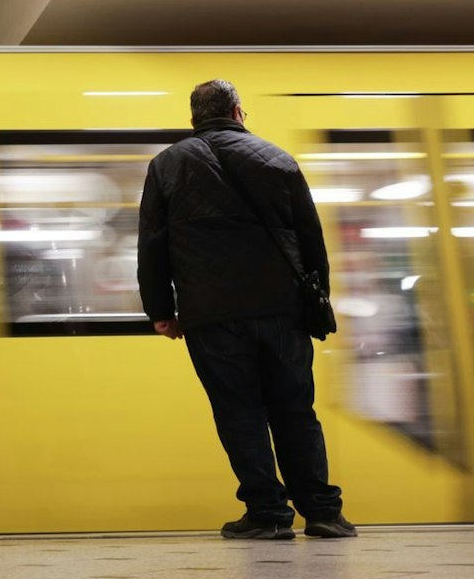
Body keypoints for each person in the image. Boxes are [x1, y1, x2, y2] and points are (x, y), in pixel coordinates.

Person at [137, 80, 357, 540]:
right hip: (282, 312)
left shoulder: (167, 165)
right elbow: (312, 242)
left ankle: (268, 514)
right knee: (296, 410)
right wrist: (317, 303)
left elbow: (152, 248)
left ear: (194, 118)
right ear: (238, 112)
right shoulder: (277, 159)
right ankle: (321, 511)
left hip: (212, 316)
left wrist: (161, 310)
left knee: (239, 413)